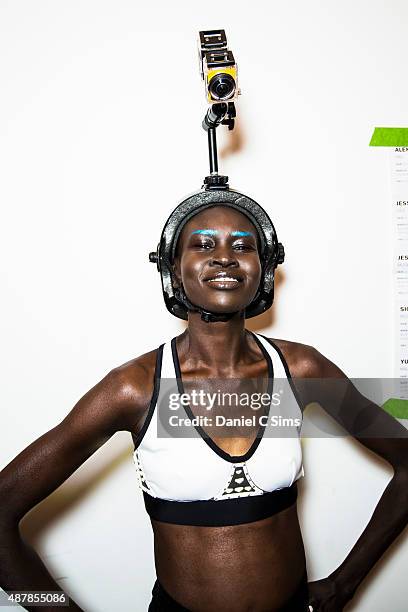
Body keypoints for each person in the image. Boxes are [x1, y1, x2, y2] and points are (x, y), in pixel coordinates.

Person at [0, 186, 407, 612]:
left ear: (264, 268)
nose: (225, 256)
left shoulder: (302, 370)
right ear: (173, 270)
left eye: (243, 246)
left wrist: (347, 582)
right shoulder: (135, 388)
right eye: (203, 244)